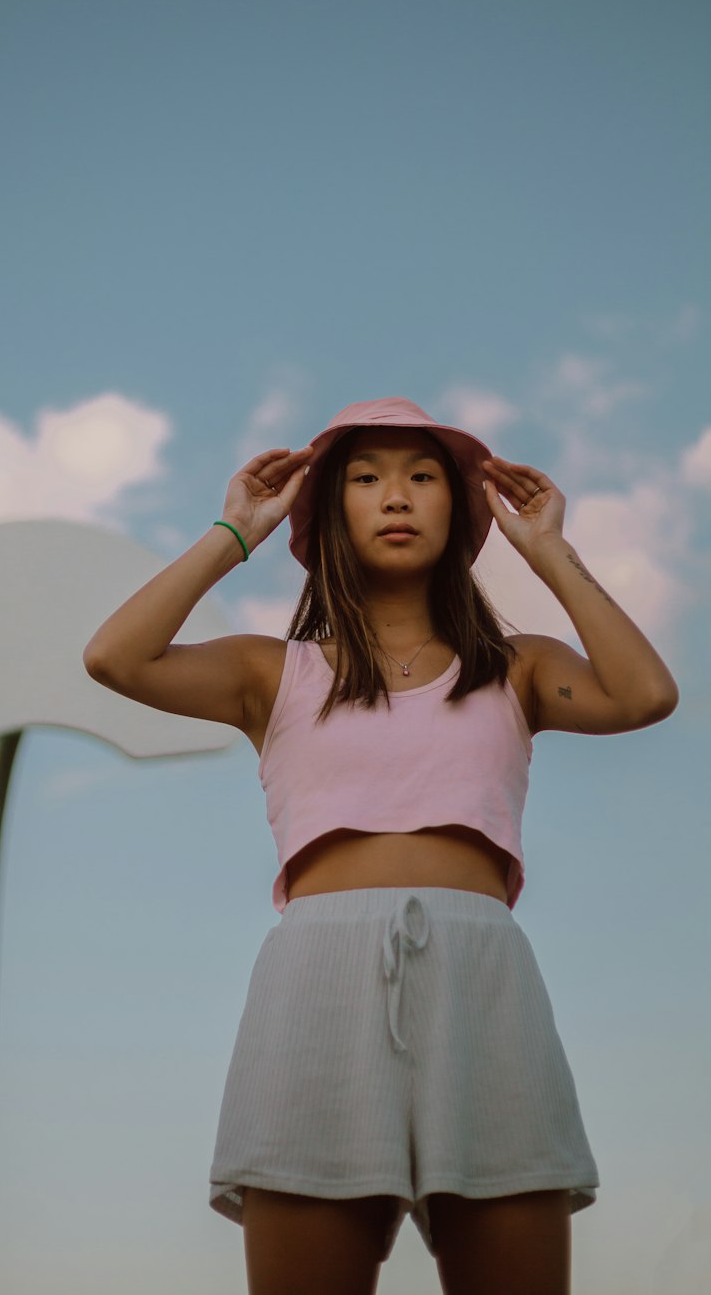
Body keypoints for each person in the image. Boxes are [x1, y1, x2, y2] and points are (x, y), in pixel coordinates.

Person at [82, 396, 679, 1295]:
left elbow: (644, 695)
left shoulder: (516, 666)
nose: (395, 495)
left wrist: (551, 550)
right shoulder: (270, 671)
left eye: (422, 476)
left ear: (460, 512)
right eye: (365, 478)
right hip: (318, 977)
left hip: (483, 977)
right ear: (330, 517)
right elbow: (114, 658)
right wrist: (234, 530)